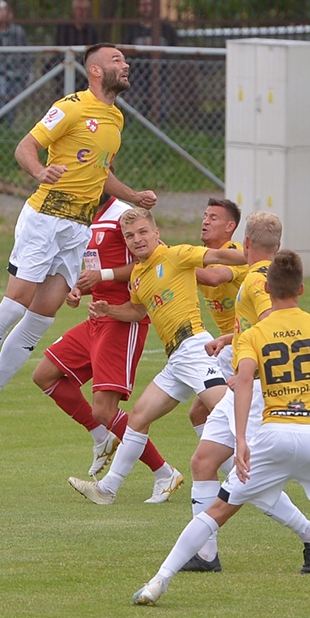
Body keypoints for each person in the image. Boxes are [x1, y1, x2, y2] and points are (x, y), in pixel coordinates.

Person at [132, 250, 310, 611]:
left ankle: (158, 581)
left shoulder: (253, 333)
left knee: (216, 512)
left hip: (272, 438)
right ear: (302, 290)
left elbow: (243, 381)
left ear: (268, 291)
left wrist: (242, 439)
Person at [0, 43, 157, 450]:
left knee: (42, 317)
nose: (125, 64)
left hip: (76, 228)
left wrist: (132, 195)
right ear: (96, 71)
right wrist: (40, 170)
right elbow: (24, 146)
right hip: (46, 218)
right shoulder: (71, 106)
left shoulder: (115, 117)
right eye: (117, 60)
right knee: (17, 301)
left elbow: (100, 174)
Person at [182, 211, 310, 577]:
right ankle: (205, 554)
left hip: (258, 391)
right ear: (277, 247)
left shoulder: (254, 279)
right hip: (248, 385)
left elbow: (275, 325)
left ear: (245, 244)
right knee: (205, 462)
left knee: (246, 476)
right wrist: (229, 339)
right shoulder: (264, 277)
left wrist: (248, 372)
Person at [67, 207, 247, 505]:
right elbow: (138, 311)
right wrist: (109, 310)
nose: (137, 240)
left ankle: (251, 474)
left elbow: (219, 258)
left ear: (156, 233)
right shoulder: (137, 275)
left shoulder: (176, 254)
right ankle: (106, 489)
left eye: (142, 233)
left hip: (193, 347)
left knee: (226, 409)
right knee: (138, 417)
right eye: (129, 236)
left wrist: (262, 255)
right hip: (176, 359)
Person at [32, 191, 183, 504]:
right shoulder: (86, 215)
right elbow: (91, 265)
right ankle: (102, 436)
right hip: (96, 316)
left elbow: (151, 261)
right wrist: (76, 289)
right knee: (44, 375)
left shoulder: (124, 215)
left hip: (121, 319)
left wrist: (101, 278)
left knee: (105, 409)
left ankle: (164, 472)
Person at [188, 197, 248, 437]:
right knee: (200, 413)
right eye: (205, 216)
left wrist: (172, 263)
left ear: (229, 227)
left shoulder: (236, 253)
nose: (205, 221)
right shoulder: (203, 256)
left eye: (213, 218)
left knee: (229, 413)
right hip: (228, 344)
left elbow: (214, 278)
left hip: (246, 343)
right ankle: (234, 471)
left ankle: (244, 466)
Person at [123, 0, 178, 122]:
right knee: (136, 94)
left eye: (149, 5)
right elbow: (125, 48)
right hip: (138, 69)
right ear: (138, 9)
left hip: (161, 69)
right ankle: (134, 119)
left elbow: (173, 48)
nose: (146, 8)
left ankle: (161, 121)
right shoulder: (132, 28)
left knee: (162, 95)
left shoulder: (166, 28)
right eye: (143, 5)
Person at [0, 0, 31, 125]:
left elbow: (26, 54)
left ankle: (4, 124)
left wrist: (27, 71)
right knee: (3, 93)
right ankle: (4, 123)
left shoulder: (18, 31)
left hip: (17, 72)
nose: (2, 14)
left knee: (14, 96)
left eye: (4, 11)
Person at [43, 0, 100, 92]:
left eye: (85, 10)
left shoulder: (92, 31)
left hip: (84, 65)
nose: (81, 13)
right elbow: (59, 48)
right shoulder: (63, 28)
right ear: (73, 11)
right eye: (79, 9)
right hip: (64, 62)